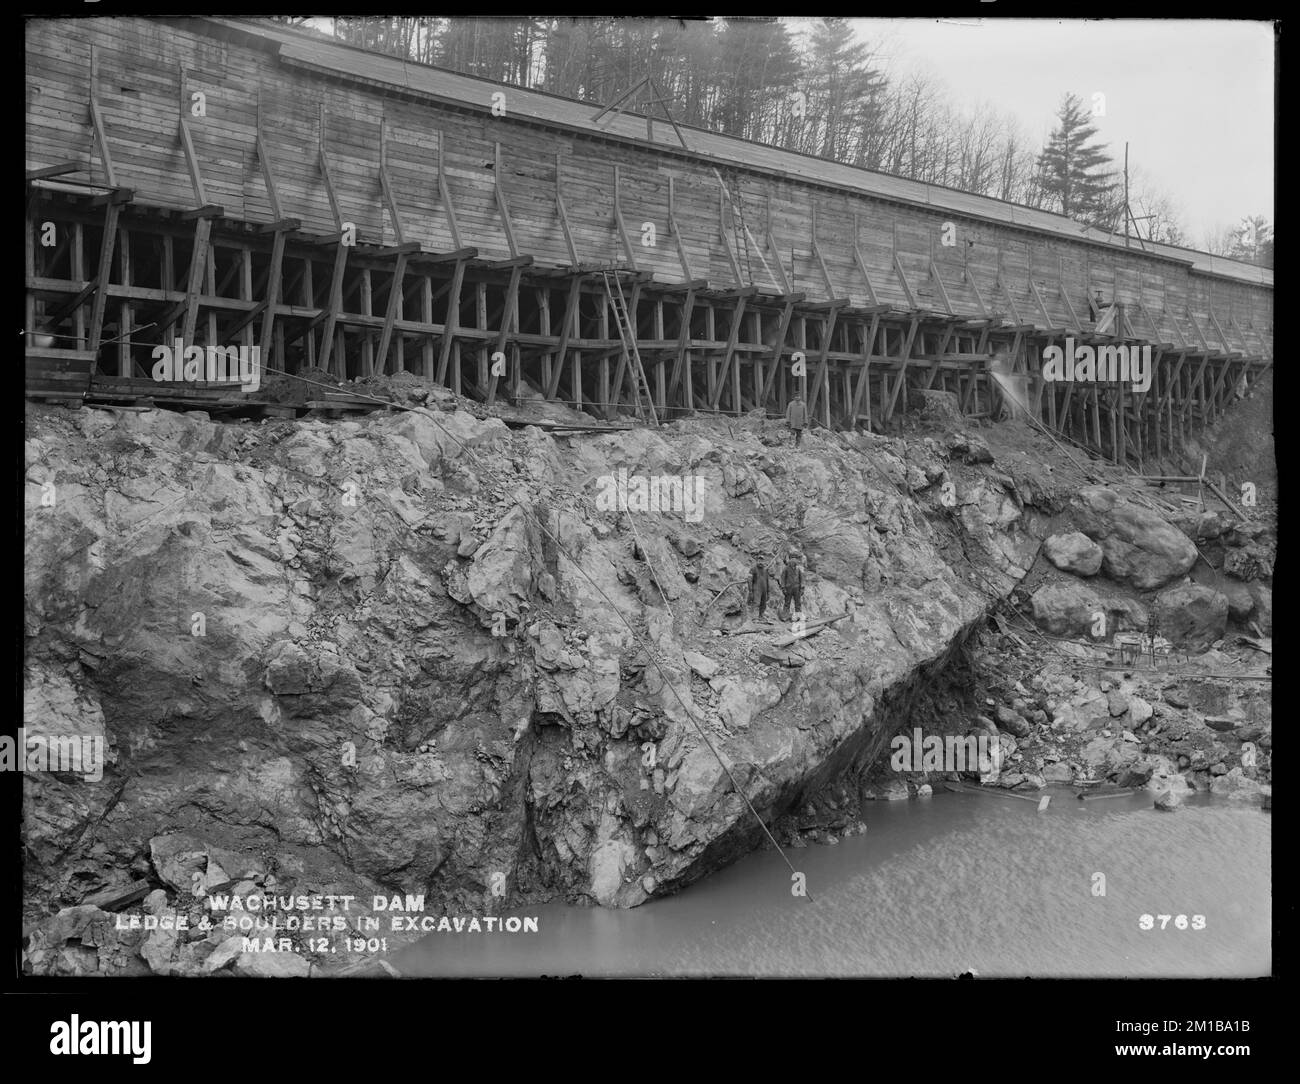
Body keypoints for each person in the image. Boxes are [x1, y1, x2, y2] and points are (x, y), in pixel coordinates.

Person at [782, 551, 804, 618]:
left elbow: (801, 579)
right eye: (792, 558)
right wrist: (783, 588)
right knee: (787, 603)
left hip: (797, 588)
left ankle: (798, 616)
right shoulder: (786, 569)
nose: (793, 560)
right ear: (790, 560)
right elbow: (782, 578)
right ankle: (785, 616)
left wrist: (802, 588)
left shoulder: (798, 569)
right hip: (788, 588)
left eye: (795, 559)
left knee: (798, 603)